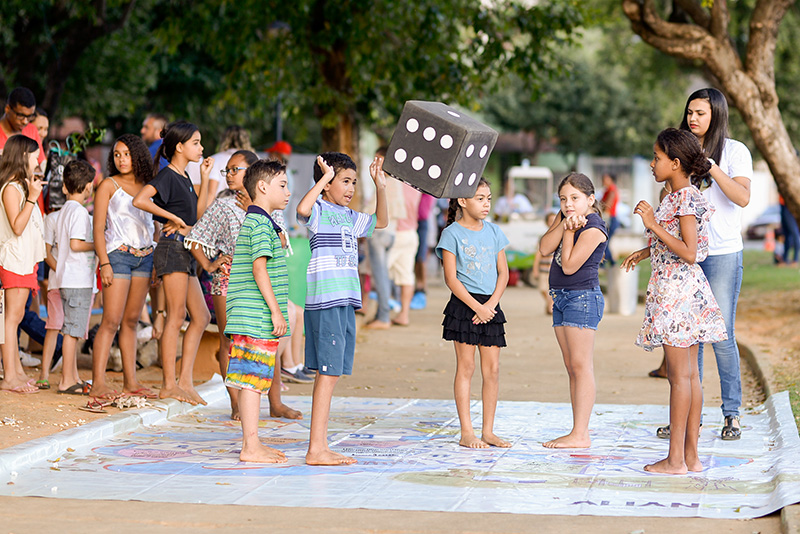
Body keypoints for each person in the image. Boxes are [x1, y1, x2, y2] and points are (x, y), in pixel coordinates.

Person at [622, 128, 727, 474]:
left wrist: (651, 224)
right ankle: (691, 458)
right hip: (683, 292)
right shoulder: (679, 195)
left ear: (676, 162)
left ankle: (675, 459)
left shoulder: (682, 199)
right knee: (690, 377)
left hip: (678, 296)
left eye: (656, 157)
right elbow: (675, 245)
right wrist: (645, 251)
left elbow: (690, 252)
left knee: (680, 378)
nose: (652, 164)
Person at [666, 87, 752, 440]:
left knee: (722, 336)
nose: (693, 118)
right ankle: (691, 417)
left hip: (723, 254)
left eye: (700, 113)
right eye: (689, 112)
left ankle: (731, 414)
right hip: (689, 254)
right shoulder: (678, 152)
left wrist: (710, 166)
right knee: (690, 339)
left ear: (716, 114)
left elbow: (742, 197)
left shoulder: (735, 151)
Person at [297, 152, 387, 465]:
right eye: (344, 181)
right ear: (325, 184)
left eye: (353, 182)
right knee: (328, 372)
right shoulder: (319, 210)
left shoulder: (349, 216)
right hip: (325, 301)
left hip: (346, 301)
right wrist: (322, 178)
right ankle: (316, 449)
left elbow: (381, 222)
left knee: (332, 373)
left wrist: (381, 187)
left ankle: (318, 446)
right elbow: (302, 209)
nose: (350, 188)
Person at [132, 121, 212, 405]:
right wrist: (173, 219)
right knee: (176, 316)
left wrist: (203, 179)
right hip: (172, 249)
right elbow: (140, 200)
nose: (201, 148)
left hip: (185, 251)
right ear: (179, 146)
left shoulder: (185, 176)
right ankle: (169, 384)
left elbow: (197, 216)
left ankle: (185, 381)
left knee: (200, 316)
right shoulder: (167, 175)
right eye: (196, 143)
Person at [224, 159, 292, 463]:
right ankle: (250, 447)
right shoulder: (260, 223)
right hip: (255, 315)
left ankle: (252, 443)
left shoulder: (261, 222)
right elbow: (259, 267)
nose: (288, 192)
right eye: (282, 185)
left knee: (252, 380)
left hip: (250, 314)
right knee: (253, 381)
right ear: (262, 187)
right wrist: (276, 312)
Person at [436, 178, 511, 449]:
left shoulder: (494, 232)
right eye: (480, 198)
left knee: (492, 370)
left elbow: (503, 273)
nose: (486, 203)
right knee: (465, 368)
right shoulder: (452, 234)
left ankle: (488, 431)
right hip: (464, 305)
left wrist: (490, 305)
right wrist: (476, 307)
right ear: (463, 201)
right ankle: (467, 432)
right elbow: (451, 279)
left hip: (491, 307)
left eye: (489, 198)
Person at [538, 172, 608, 449]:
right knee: (572, 367)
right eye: (564, 199)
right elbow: (544, 248)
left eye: (575, 198)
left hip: (582, 299)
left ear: (590, 199)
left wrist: (569, 232)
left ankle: (581, 434)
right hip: (561, 298)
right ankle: (577, 430)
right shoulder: (564, 216)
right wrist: (563, 223)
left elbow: (568, 265)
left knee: (581, 366)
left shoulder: (593, 227)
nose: (569, 204)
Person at [90, 134, 157, 399]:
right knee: (110, 321)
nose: (121, 159)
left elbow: (154, 225)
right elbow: (98, 229)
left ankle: (131, 382)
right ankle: (98, 384)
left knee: (131, 322)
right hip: (117, 256)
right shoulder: (108, 185)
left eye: (126, 154)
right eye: (117, 154)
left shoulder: (148, 185)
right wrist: (104, 262)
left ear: (137, 155)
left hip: (145, 257)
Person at [0, 135, 45, 393]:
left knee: (15, 318)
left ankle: (15, 372)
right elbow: (17, 226)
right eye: (34, 155)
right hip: (14, 259)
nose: (38, 160)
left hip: (25, 260)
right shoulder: (11, 188)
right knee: (11, 319)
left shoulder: (20, 186)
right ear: (22, 156)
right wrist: (32, 197)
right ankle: (9, 377)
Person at [53, 160, 97, 395]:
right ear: (88, 186)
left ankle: (73, 376)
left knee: (73, 328)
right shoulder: (79, 212)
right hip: (77, 278)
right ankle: (66, 381)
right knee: (72, 331)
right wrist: (99, 245)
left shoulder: (65, 211)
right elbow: (76, 245)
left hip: (68, 277)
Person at [187, 125, 254, 206]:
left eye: (235, 169)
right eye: (227, 170)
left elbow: (211, 193)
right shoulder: (255, 160)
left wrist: (205, 213)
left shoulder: (215, 159)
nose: (228, 175)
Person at [387, 181, 422, 326]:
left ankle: (379, 313)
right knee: (406, 276)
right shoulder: (417, 185)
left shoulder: (393, 184)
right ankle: (404, 315)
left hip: (395, 233)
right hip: (411, 233)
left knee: (375, 271)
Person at [411, 193, 436, 310]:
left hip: (421, 221)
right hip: (414, 221)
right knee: (416, 258)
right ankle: (418, 285)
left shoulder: (427, 191)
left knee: (421, 258)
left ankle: (422, 286)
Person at [532, 212, 558, 315]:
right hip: (544, 268)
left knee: (553, 290)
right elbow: (538, 254)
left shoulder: (561, 235)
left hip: (555, 269)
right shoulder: (543, 237)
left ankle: (550, 306)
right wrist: (535, 269)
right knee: (542, 289)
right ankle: (550, 303)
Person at [600, 173, 619, 266]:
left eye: (605, 179)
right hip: (609, 218)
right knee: (605, 242)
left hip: (610, 218)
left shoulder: (612, 190)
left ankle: (604, 263)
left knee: (604, 242)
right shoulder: (607, 190)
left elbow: (607, 204)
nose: (603, 181)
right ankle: (612, 263)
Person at [779, 195, 800, 267]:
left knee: (794, 232)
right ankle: (785, 259)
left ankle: (795, 259)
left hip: (789, 206)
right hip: (782, 205)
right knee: (786, 234)